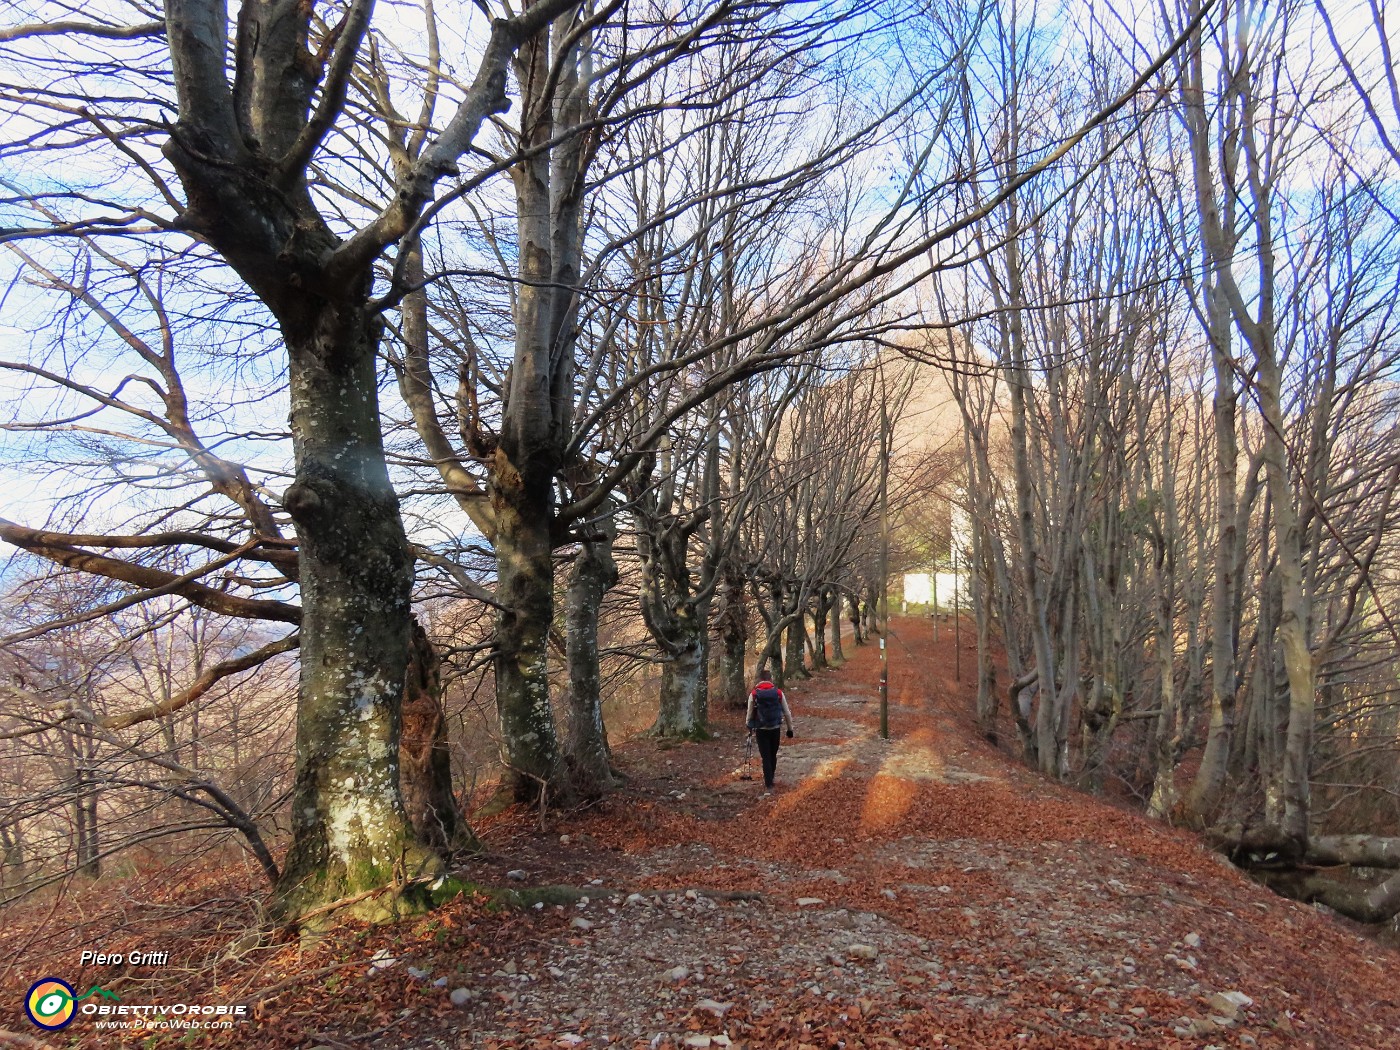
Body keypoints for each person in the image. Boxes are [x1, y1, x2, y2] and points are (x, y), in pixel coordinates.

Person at [745, 678, 794, 794]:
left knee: (765, 756)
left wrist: (749, 725)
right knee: (773, 754)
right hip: (775, 728)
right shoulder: (778, 693)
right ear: (771, 681)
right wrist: (790, 729)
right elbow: (786, 712)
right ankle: (771, 776)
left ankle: (769, 783)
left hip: (761, 729)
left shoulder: (754, 694)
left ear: (758, 682)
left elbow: (750, 712)